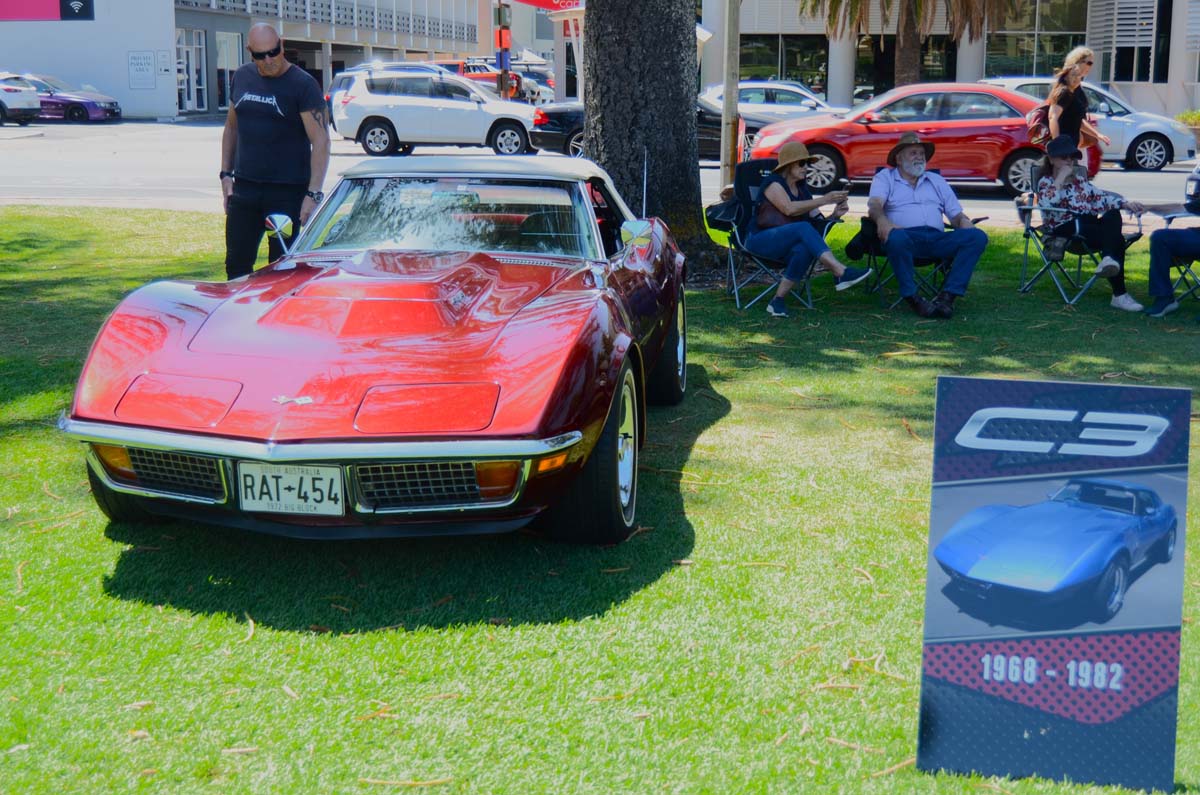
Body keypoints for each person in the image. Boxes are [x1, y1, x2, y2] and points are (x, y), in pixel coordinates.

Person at [220, 23, 330, 280]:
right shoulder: (242, 77)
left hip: (286, 193)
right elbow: (231, 128)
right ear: (250, 52)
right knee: (236, 267)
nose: (269, 60)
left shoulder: (303, 85)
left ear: (282, 45)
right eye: (260, 55)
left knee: (282, 271)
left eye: (273, 52)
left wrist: (313, 193)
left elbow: (321, 141)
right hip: (245, 190)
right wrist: (225, 174)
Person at [867, 132, 987, 319]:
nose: (919, 157)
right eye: (913, 153)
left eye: (922, 153)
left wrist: (964, 222)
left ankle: (948, 297)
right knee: (896, 237)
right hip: (905, 239)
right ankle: (913, 298)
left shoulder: (936, 180)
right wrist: (882, 220)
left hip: (937, 239)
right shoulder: (886, 177)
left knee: (977, 237)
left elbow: (955, 215)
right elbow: (874, 205)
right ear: (898, 159)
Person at [747, 142, 872, 318]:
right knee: (803, 227)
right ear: (788, 165)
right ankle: (839, 271)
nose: (806, 168)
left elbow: (818, 224)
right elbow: (789, 209)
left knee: (804, 248)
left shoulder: (802, 190)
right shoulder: (773, 183)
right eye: (801, 163)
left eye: (808, 163)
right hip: (760, 240)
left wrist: (834, 215)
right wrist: (824, 199)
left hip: (786, 245)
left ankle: (777, 301)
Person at [1035, 134, 1146, 311]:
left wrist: (1125, 204)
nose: (1069, 161)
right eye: (1064, 157)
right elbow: (1047, 203)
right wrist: (1061, 178)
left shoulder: (1080, 181)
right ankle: (1119, 295)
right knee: (1116, 240)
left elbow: (1100, 198)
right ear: (1051, 159)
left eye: (1072, 157)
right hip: (1065, 228)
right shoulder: (1045, 181)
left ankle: (1108, 260)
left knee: (1113, 215)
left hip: (1087, 225)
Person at [1047, 47, 1110, 153]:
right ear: (1077, 62)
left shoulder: (1077, 90)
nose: (1091, 67)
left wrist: (1097, 135)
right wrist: (1058, 144)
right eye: (1089, 63)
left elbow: (1077, 120)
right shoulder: (1064, 91)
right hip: (1063, 150)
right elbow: (1052, 117)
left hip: (1072, 147)